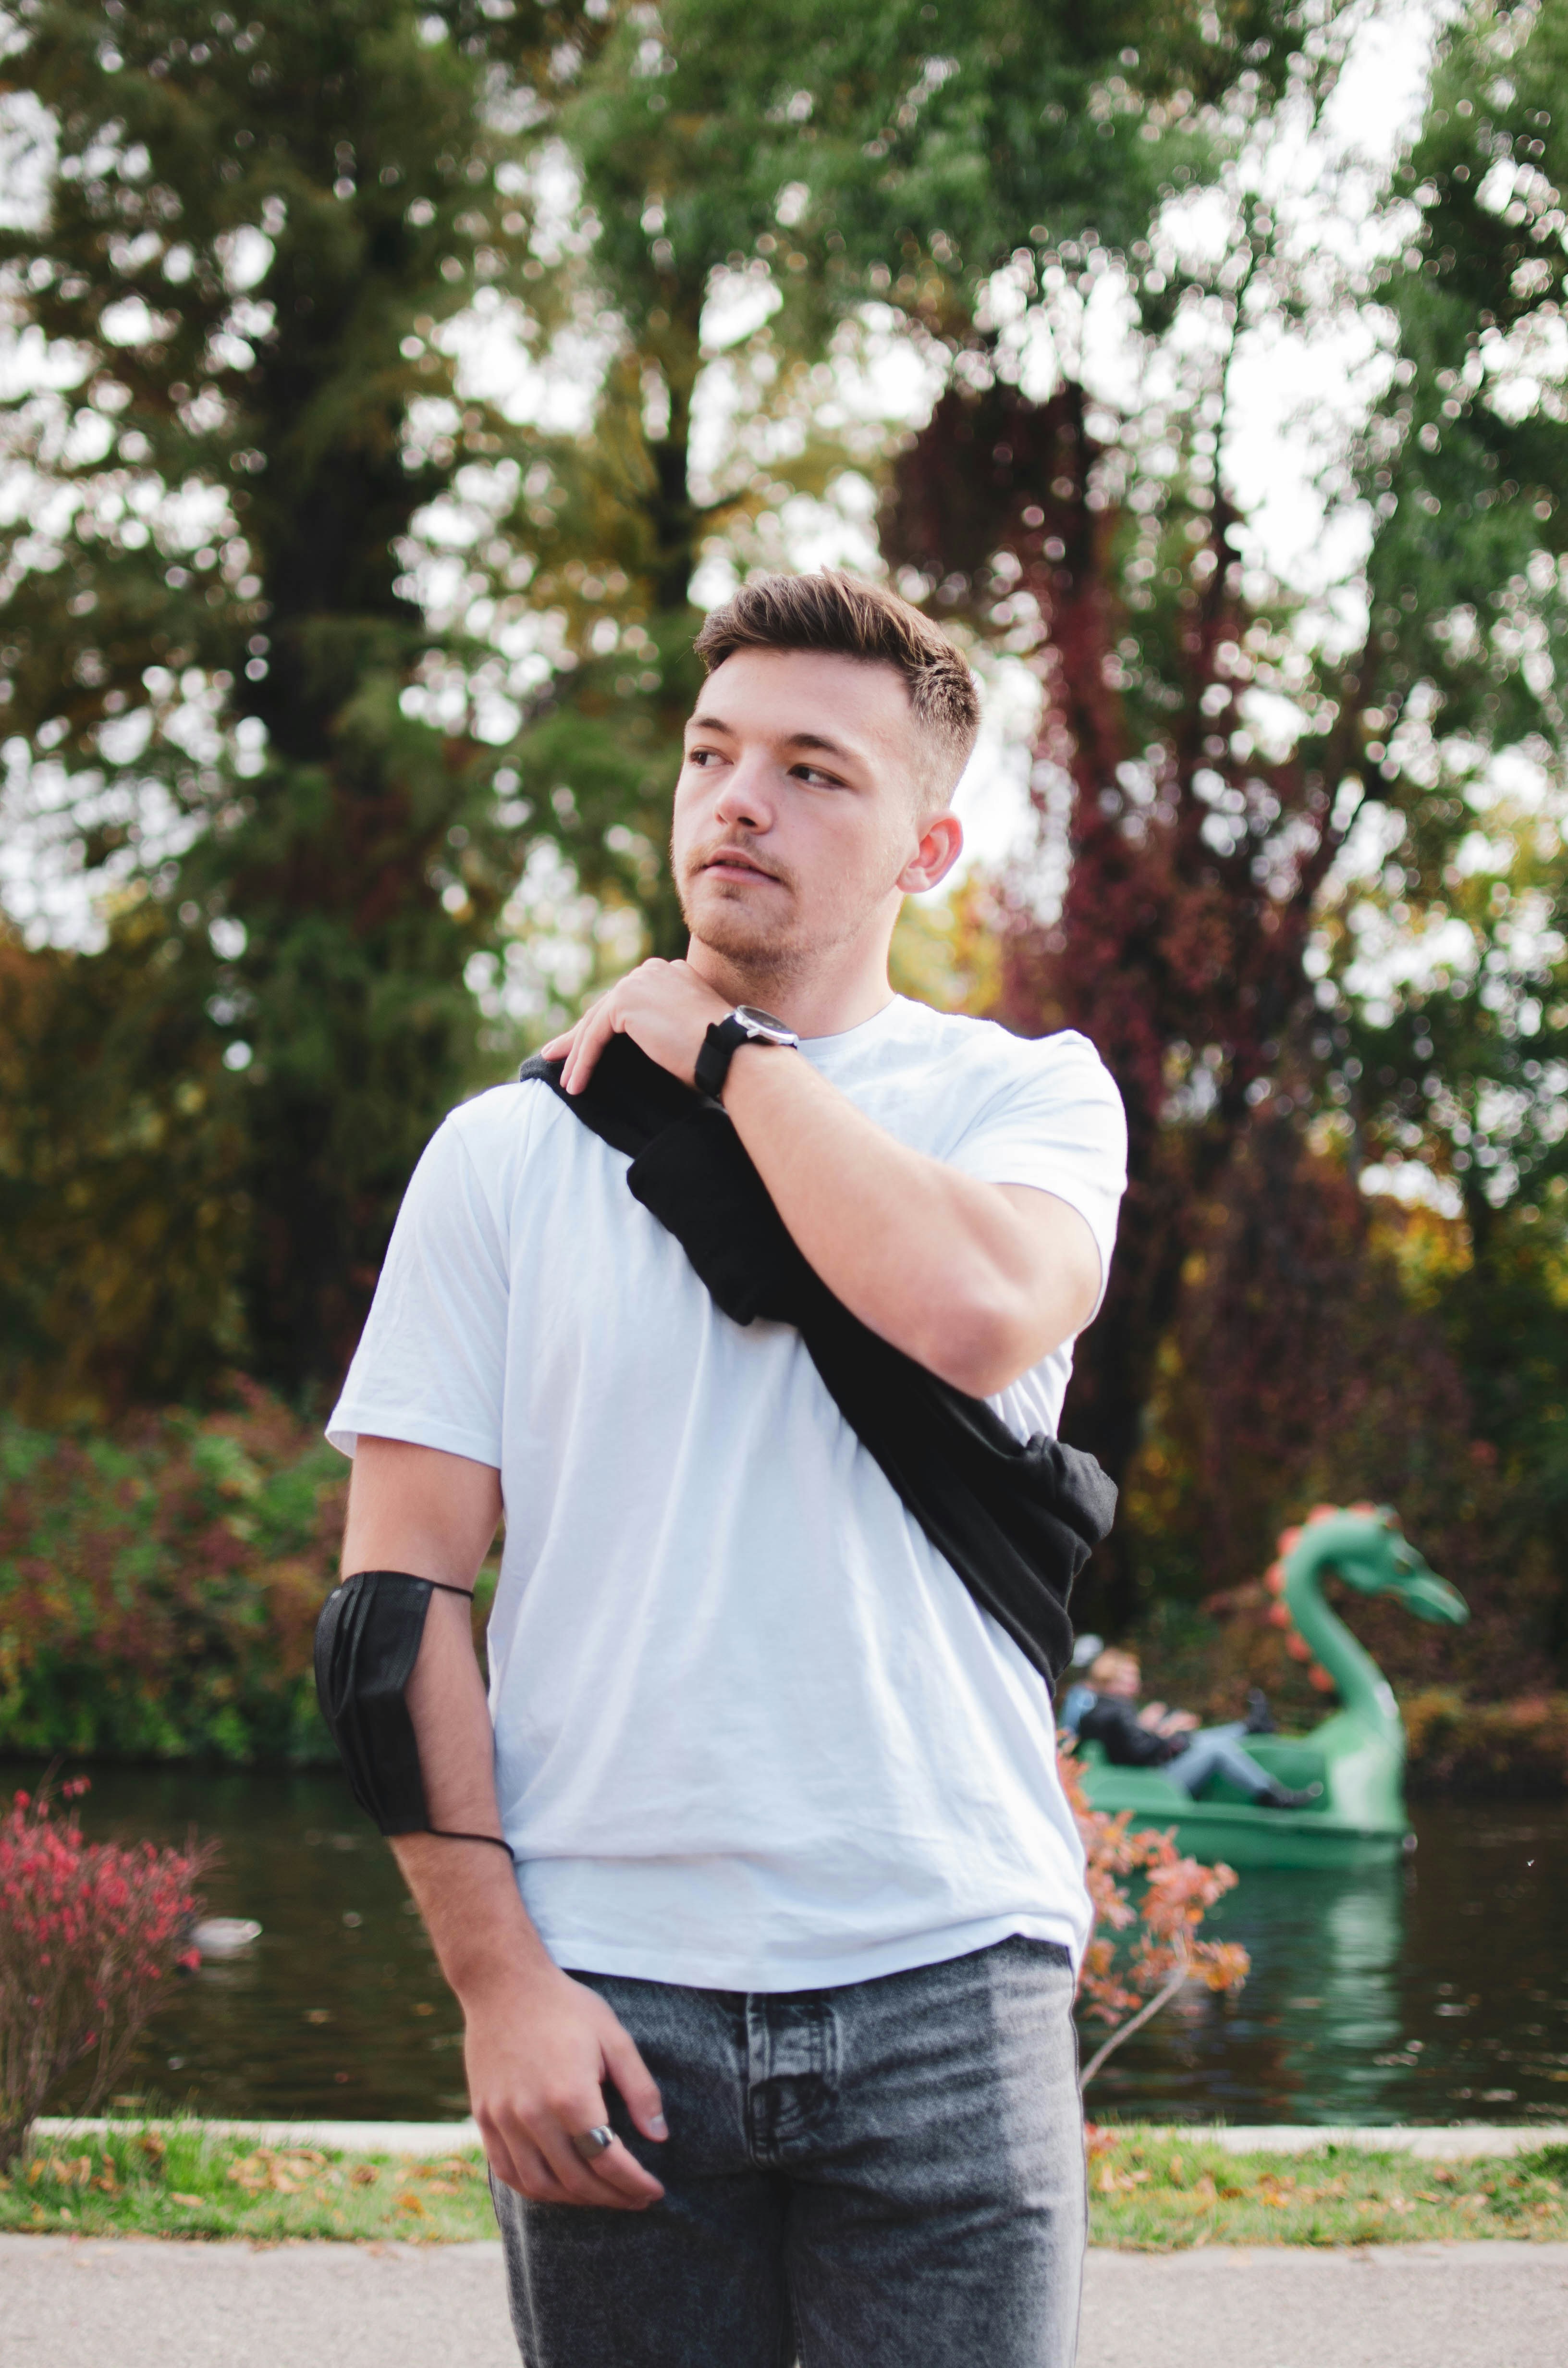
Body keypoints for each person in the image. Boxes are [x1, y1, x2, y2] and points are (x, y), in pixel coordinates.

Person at [323, 571, 1127, 2368]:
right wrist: (496, 1984)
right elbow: (392, 1604)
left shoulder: (1026, 1102)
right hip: (609, 1993)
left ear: (927, 850)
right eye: (709, 754)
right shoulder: (503, 1156)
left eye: (812, 772)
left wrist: (724, 1054)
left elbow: (969, 1312)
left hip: (949, 1978)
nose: (738, 800)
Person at [1062, 1648, 1321, 1809]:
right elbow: (1140, 1753)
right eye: (1128, 1676)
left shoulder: (1105, 1707)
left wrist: (1164, 1733)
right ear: (1109, 1677)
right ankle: (1272, 1795)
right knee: (1217, 1749)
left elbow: (1132, 1745)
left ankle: (1251, 1728)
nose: (1135, 1682)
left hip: (1145, 1773)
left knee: (1201, 1740)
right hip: (1152, 1781)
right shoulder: (1117, 1709)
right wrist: (1173, 1737)